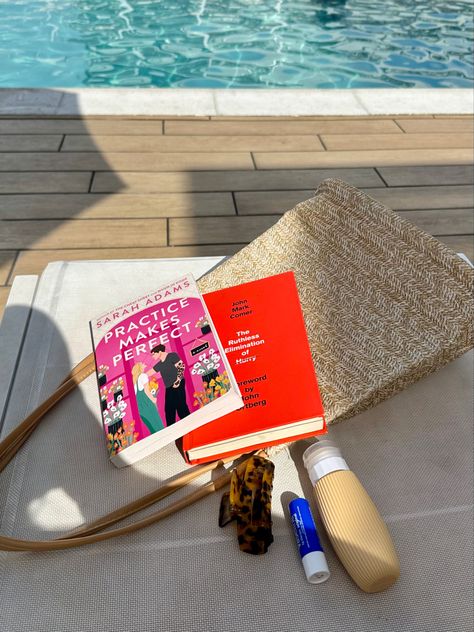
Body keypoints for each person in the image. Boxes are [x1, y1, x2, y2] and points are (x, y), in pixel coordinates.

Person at [147, 344, 190, 426]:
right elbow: (149, 373)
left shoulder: (172, 356)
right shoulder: (160, 364)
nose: (152, 356)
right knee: (169, 409)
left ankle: (189, 424)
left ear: (159, 352)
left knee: (181, 406)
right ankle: (172, 429)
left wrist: (178, 380)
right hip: (169, 387)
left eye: (153, 354)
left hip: (178, 383)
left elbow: (181, 366)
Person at [131, 362, 164, 434]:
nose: (144, 364)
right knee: (157, 423)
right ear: (140, 367)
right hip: (147, 403)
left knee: (150, 425)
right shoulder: (143, 376)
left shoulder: (134, 382)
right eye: (142, 364)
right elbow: (146, 391)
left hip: (140, 407)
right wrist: (153, 399)